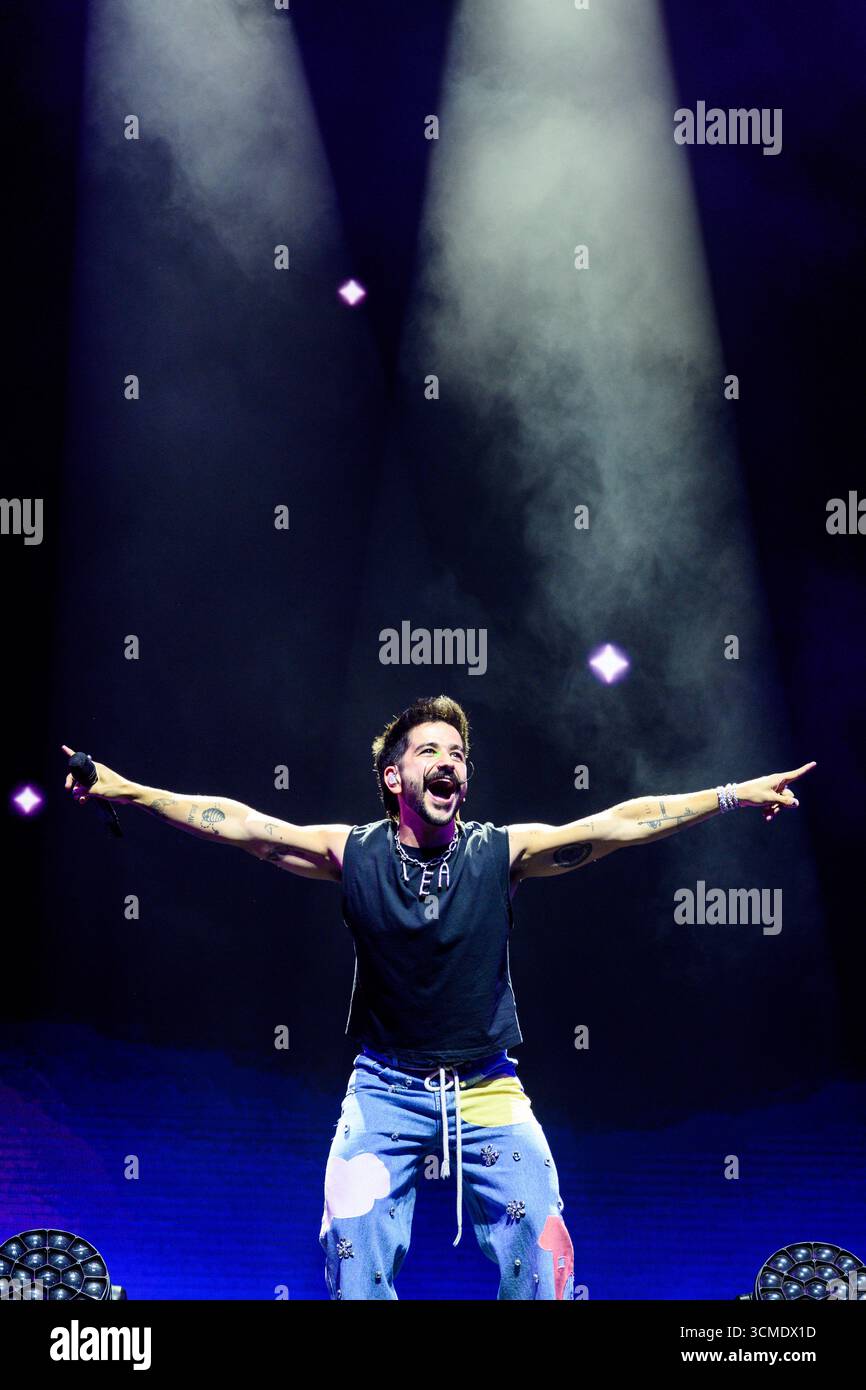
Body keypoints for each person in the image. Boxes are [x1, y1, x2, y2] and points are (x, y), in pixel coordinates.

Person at [62, 695, 815, 1300]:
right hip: (384, 1091)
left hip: (488, 1089)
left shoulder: (500, 852)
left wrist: (730, 795)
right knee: (351, 1262)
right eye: (430, 752)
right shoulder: (348, 852)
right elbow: (246, 829)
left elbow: (616, 824)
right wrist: (129, 790)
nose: (450, 762)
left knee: (545, 1253)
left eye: (458, 755)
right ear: (394, 778)